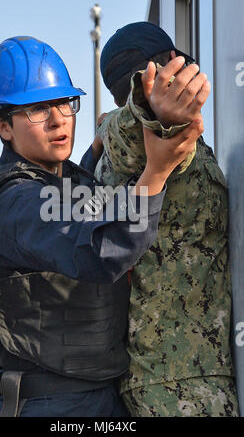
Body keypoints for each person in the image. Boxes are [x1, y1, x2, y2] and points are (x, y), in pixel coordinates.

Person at [0, 36, 202, 417]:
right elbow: (100, 248)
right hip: (51, 404)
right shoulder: (14, 202)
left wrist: (100, 149)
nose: (59, 119)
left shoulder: (64, 181)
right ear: (3, 126)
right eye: (37, 109)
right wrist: (155, 172)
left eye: (64, 103)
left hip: (97, 397)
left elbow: (86, 203)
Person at [94, 21, 239, 417]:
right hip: (182, 387)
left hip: (177, 376)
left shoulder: (157, 136)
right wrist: (152, 108)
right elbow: (135, 136)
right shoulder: (154, 136)